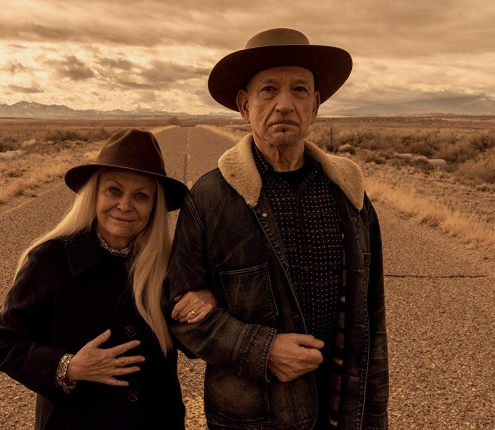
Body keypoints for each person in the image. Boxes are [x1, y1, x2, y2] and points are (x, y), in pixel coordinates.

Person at [165, 28, 389, 430]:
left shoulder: (349, 194)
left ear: (315, 105)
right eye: (268, 90)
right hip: (251, 419)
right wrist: (262, 350)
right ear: (244, 106)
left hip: (340, 413)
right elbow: (181, 317)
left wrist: (373, 418)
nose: (284, 105)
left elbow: (372, 322)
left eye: (299, 90)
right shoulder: (210, 197)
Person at [0, 128, 215, 429]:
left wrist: (208, 299)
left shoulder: (169, 263)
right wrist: (69, 367)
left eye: (141, 196)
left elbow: (192, 344)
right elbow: (5, 344)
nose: (125, 205)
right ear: (94, 193)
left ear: (154, 205)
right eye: (114, 190)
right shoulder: (50, 259)